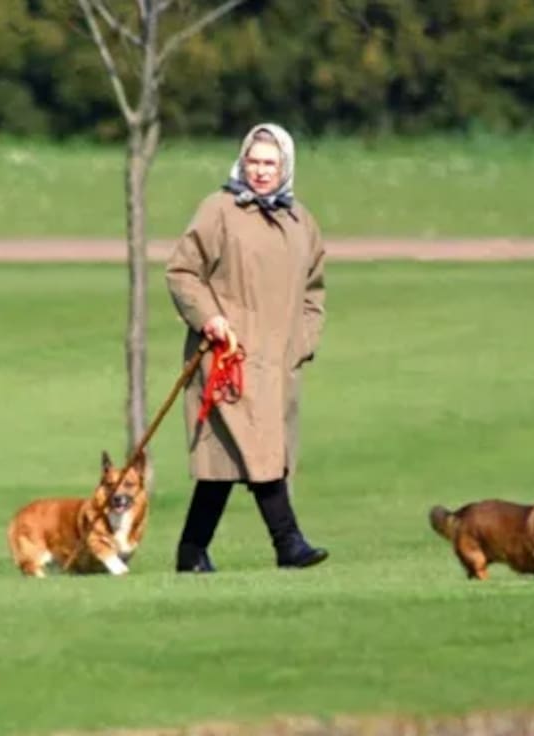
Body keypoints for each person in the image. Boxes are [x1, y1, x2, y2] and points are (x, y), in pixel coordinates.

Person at [165, 122, 329, 573]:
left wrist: (304, 341)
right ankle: (288, 544)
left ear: (285, 167)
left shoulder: (301, 223)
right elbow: (182, 272)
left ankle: (191, 552)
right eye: (253, 161)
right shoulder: (218, 210)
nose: (260, 171)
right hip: (226, 360)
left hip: (279, 364)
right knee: (261, 452)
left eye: (269, 163)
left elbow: (315, 290)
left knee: (228, 463)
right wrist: (209, 319)